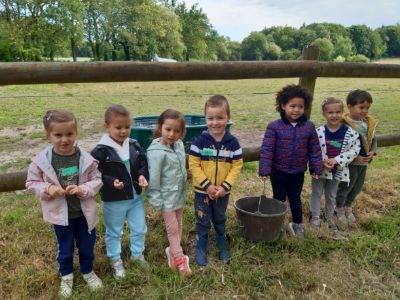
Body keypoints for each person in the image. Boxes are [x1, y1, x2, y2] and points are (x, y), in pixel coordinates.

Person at [26, 110, 103, 298]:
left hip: (85, 214)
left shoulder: (86, 158)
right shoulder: (41, 161)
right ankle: (66, 275)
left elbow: (97, 179)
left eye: (69, 134)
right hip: (61, 217)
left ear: (76, 133)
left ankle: (87, 271)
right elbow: (31, 183)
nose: (64, 139)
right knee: (65, 248)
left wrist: (83, 189)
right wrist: (49, 189)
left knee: (87, 245)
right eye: (58, 135)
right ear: (48, 135)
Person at [91, 104, 149, 279]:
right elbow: (94, 174)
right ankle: (116, 260)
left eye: (127, 127)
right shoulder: (100, 151)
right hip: (114, 200)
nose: (123, 131)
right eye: (118, 127)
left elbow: (142, 164)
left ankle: (137, 254)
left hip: (135, 197)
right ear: (106, 126)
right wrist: (109, 181)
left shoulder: (134, 145)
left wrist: (143, 175)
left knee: (139, 228)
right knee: (114, 231)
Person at [258, 84, 323, 238]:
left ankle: (297, 224)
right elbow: (267, 149)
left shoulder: (309, 127)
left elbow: (314, 149)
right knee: (279, 198)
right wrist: (265, 170)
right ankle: (279, 224)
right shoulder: (274, 127)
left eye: (300, 106)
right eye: (292, 106)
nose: (296, 110)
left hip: (298, 171)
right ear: (283, 106)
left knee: (295, 197)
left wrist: (316, 168)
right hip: (278, 171)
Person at [188, 95, 243, 267]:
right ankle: (201, 246)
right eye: (210, 118)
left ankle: (222, 243)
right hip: (202, 192)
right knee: (202, 218)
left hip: (222, 192)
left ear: (228, 117)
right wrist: (207, 186)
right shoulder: (199, 142)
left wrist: (225, 187)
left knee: (220, 217)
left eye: (220, 118)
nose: (215, 122)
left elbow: (237, 166)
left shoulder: (233, 143)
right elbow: (194, 165)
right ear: (205, 118)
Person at [146, 109, 192, 276]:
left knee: (179, 223)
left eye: (177, 131)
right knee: (172, 228)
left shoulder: (179, 145)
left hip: (179, 194)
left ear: (182, 131)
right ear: (160, 127)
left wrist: (186, 176)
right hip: (166, 198)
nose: (172, 134)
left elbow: (181, 165)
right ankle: (180, 259)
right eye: (168, 129)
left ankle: (171, 251)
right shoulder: (156, 153)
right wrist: (156, 200)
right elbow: (154, 179)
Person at [309, 97, 360, 232]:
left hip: (337, 170)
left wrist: (337, 160)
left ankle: (329, 216)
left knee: (331, 195)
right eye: (330, 112)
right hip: (319, 169)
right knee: (316, 193)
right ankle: (315, 216)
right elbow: (312, 149)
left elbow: (354, 150)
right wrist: (321, 162)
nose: (334, 115)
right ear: (324, 114)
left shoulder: (350, 133)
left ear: (343, 112)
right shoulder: (318, 132)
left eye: (338, 112)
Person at [335, 90, 377, 226]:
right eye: (361, 107)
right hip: (350, 164)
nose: (365, 111)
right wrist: (353, 157)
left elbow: (373, 139)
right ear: (349, 106)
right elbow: (336, 143)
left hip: (364, 163)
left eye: (367, 108)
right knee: (346, 186)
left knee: (357, 187)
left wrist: (373, 152)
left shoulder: (368, 124)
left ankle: (348, 206)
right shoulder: (343, 124)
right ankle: (338, 208)